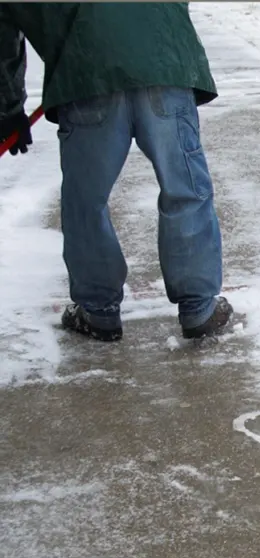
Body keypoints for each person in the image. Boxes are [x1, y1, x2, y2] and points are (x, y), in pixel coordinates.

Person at [0, 2, 233, 342]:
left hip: (87, 76)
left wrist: (8, 108)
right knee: (184, 187)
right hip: (162, 66)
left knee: (86, 201)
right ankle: (199, 307)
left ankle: (98, 311)